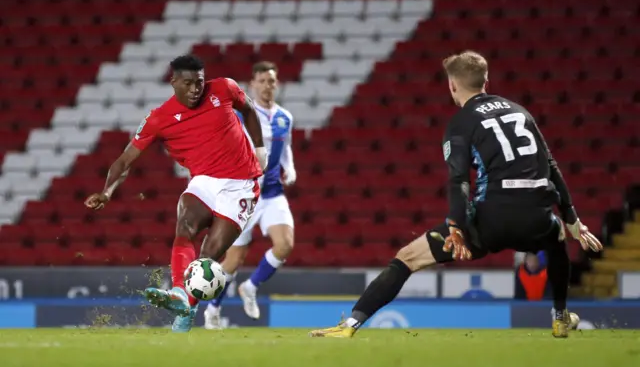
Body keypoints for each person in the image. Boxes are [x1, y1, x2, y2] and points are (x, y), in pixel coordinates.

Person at [308, 50, 603, 339]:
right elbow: (551, 167)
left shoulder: (461, 123)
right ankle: (561, 317)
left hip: (490, 222)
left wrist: (456, 225)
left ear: (452, 85)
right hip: (537, 218)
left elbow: (459, 181)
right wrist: (573, 220)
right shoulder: (520, 111)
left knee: (407, 258)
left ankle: (351, 325)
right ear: (486, 80)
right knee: (559, 237)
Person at [84, 55, 268, 333]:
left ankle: (187, 309)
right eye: (188, 83)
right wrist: (107, 191)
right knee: (185, 223)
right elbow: (125, 160)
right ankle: (180, 293)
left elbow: (250, 110)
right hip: (204, 181)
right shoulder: (160, 118)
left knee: (209, 254)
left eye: (199, 82)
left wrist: (260, 150)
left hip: (240, 185)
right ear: (173, 82)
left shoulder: (224, 88)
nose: (196, 89)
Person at [204, 61, 296, 329]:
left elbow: (285, 146)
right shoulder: (240, 115)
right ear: (252, 85)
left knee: (285, 244)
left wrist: (289, 168)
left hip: (273, 194)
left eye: (272, 81)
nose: (269, 85)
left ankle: (251, 287)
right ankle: (212, 309)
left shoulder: (284, 117)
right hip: (244, 195)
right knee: (233, 260)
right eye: (263, 81)